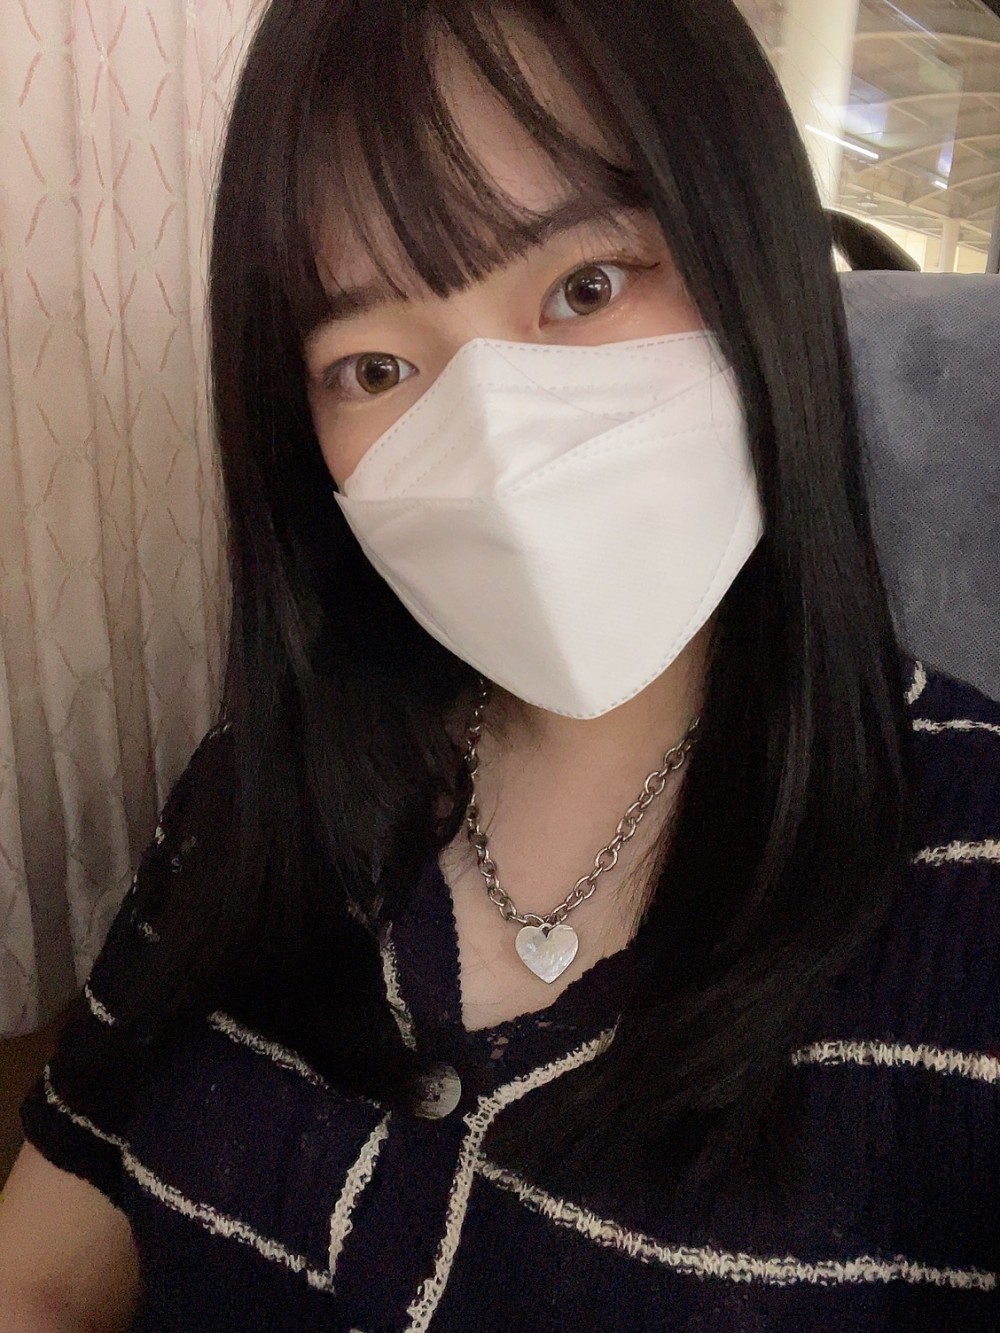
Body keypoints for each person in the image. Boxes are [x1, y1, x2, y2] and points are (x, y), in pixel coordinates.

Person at [0, 0, 997, 1328]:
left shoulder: (972, 888)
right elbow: (38, 1277)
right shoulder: (255, 798)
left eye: (585, 286)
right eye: (374, 364)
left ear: (753, 258)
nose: (497, 441)